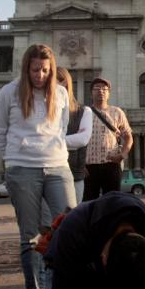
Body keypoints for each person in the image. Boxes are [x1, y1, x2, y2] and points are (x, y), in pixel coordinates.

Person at [0, 44, 76, 289]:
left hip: (57, 166)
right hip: (22, 169)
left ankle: (66, 288)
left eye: (45, 70)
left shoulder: (60, 93)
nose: (39, 75)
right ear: (26, 68)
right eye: (35, 69)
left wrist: (53, 153)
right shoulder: (9, 93)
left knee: (69, 225)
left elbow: (61, 129)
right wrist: (14, 158)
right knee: (31, 236)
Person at [83, 78, 133, 201]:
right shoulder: (84, 112)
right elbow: (78, 140)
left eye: (105, 89)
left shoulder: (117, 112)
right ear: (91, 93)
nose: (101, 91)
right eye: (97, 88)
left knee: (112, 202)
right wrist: (80, 164)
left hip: (111, 164)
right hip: (89, 167)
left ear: (109, 93)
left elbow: (128, 137)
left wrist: (122, 155)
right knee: (88, 202)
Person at [56, 67, 92, 203]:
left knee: (72, 218)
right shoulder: (43, 111)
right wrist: (69, 143)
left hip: (74, 174)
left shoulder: (84, 111)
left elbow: (82, 140)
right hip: (47, 173)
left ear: (64, 82)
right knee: (48, 222)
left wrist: (49, 143)